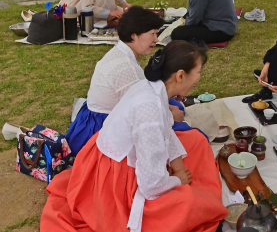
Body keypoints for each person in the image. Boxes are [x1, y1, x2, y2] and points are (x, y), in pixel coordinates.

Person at [41, 41, 229, 231]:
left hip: (120, 156)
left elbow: (167, 132)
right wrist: (178, 180)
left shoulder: (154, 88)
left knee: (196, 140)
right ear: (180, 75)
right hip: (117, 175)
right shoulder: (149, 108)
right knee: (190, 204)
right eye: (198, 72)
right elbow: (150, 186)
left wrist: (178, 166)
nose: (199, 77)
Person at [65, 7, 203, 154]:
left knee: (176, 107)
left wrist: (169, 108)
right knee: (194, 136)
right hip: (100, 127)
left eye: (156, 34)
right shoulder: (125, 67)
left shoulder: (122, 53)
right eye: (152, 34)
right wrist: (170, 117)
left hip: (99, 117)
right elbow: (143, 112)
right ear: (134, 36)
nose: (156, 39)